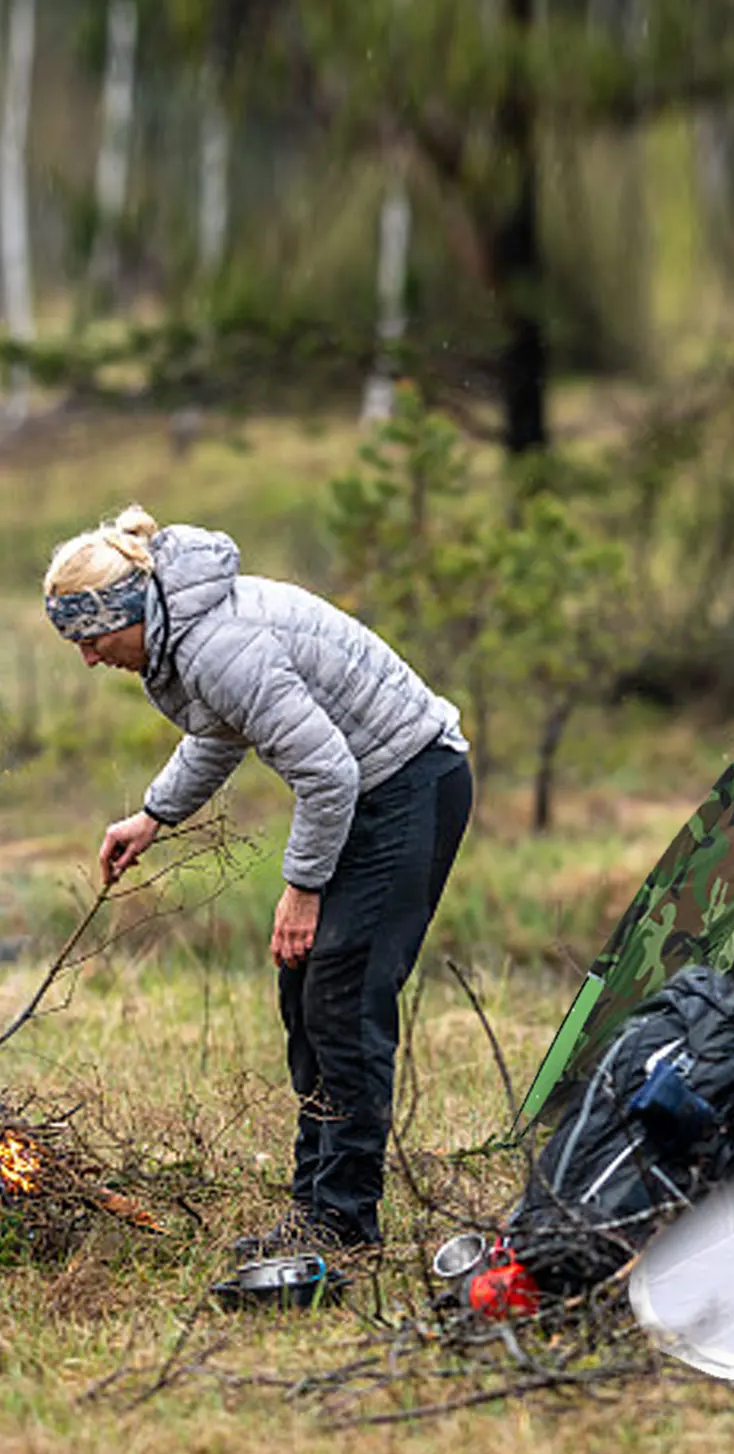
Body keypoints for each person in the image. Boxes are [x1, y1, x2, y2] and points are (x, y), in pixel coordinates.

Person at [42, 505, 473, 1256]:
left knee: (341, 992)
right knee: (306, 989)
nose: (87, 658)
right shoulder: (187, 631)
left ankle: (343, 1225)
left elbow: (327, 772)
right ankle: (315, 1209)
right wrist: (152, 815)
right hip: (370, 792)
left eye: (90, 638)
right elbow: (220, 731)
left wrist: (301, 891)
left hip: (410, 783)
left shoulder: (219, 643)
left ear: (126, 610)